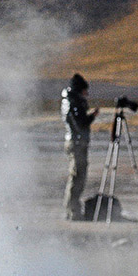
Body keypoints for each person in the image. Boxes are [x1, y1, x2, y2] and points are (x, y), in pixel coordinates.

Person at [61, 73, 98, 220]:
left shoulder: (71, 101)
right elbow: (80, 124)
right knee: (77, 177)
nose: (86, 94)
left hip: (76, 142)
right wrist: (92, 116)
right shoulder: (73, 103)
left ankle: (72, 209)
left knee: (78, 176)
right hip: (76, 143)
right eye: (84, 91)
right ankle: (72, 211)